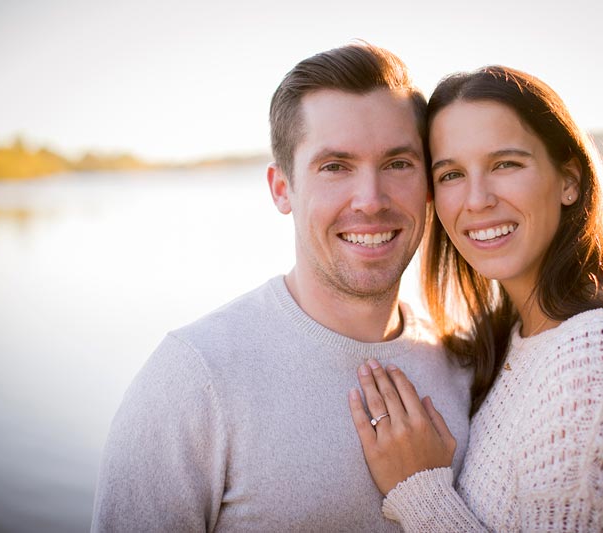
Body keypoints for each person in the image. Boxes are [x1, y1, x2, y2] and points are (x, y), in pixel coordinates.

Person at [91, 43, 472, 532]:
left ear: (427, 184)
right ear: (281, 188)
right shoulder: (194, 378)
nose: (371, 200)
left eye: (398, 163)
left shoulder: (464, 364)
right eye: (335, 166)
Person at [349, 66, 603, 532]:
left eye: (505, 164)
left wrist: (420, 492)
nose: (476, 200)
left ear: (569, 180)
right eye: (451, 173)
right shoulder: (512, 342)